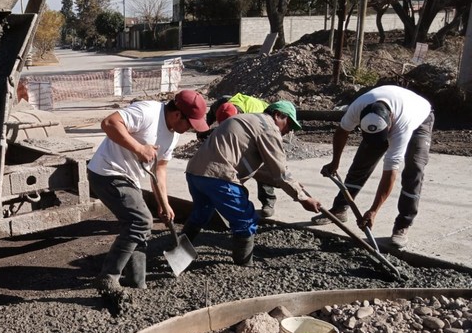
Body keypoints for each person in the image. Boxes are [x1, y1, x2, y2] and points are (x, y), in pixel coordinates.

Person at [87, 90, 209, 293]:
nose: (190, 129)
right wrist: (139, 148)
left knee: (139, 228)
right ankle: (108, 276)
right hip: (106, 172)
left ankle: (136, 282)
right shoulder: (148, 112)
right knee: (141, 221)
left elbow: (159, 169)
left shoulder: (173, 136)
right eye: (190, 124)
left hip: (128, 178)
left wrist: (164, 203)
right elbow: (108, 123)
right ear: (178, 114)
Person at [183, 101, 321, 266]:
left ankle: (178, 251)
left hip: (195, 174)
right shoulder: (268, 128)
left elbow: (259, 171)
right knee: (245, 220)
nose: (287, 131)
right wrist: (303, 198)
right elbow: (281, 172)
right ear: (278, 115)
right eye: (288, 125)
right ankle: (243, 265)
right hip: (219, 177)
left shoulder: (247, 120)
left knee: (200, 215)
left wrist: (294, 186)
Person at [312, 85, 433, 249]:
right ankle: (339, 209)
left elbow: (390, 172)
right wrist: (335, 162)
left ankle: (402, 225)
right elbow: (342, 131)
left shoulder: (403, 125)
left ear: (390, 123)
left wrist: (374, 210)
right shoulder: (358, 107)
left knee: (414, 169)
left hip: (420, 118)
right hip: (391, 110)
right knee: (361, 163)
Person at [207, 93, 278, 219]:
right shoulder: (222, 104)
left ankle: (268, 202)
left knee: (262, 166)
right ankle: (234, 202)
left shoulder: (256, 116)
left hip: (265, 131)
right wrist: (204, 129)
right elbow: (211, 115)